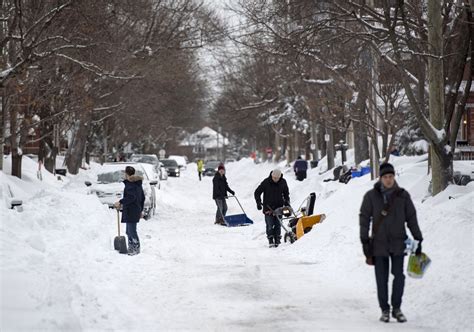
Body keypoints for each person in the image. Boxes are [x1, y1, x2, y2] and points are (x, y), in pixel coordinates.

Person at [359, 163, 423, 323]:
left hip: (398, 243)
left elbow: (411, 218)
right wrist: (364, 239)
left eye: (391, 177)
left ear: (394, 177)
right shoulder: (371, 196)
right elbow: (364, 218)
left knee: (399, 276)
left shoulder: (403, 196)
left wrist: (418, 238)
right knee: (381, 279)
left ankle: (397, 308)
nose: (388, 180)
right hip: (379, 244)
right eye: (385, 177)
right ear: (380, 178)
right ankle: (385, 310)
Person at [254, 169, 290, 248]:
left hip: (279, 208)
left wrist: (287, 203)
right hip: (268, 207)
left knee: (278, 224)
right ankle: (270, 239)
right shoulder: (266, 182)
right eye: (274, 178)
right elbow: (257, 192)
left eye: (277, 178)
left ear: (280, 177)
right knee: (270, 225)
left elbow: (286, 193)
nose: (275, 179)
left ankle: (277, 239)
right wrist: (258, 203)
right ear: (272, 176)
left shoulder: (283, 182)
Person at [114, 166, 145, 256]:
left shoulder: (131, 185)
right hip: (134, 210)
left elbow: (131, 197)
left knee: (132, 231)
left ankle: (136, 248)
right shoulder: (137, 184)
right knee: (128, 231)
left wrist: (120, 202)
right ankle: (131, 247)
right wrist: (140, 209)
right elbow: (142, 198)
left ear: (126, 174)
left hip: (131, 210)